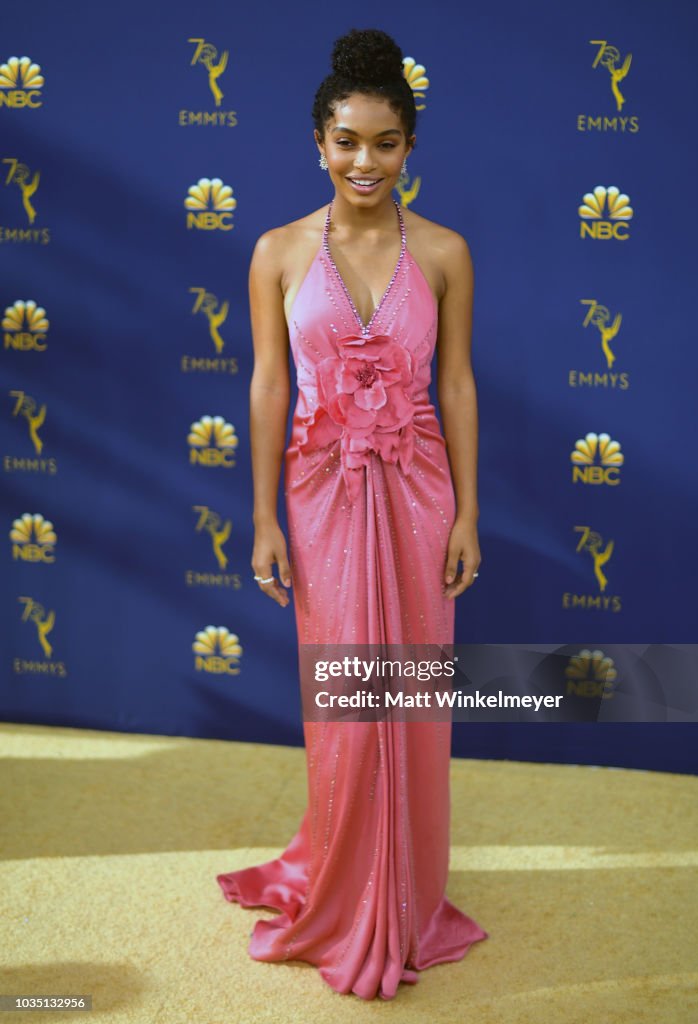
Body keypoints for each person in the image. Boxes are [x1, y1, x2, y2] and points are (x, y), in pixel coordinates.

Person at [216, 26, 488, 1001]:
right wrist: (260, 519)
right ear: (317, 144)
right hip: (319, 491)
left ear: (410, 146)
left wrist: (465, 512)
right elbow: (264, 385)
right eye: (346, 141)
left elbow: (454, 385)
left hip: (417, 493)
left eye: (383, 142)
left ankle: (408, 892)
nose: (363, 162)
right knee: (341, 696)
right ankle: (340, 877)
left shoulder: (446, 252)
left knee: (410, 689)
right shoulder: (278, 251)